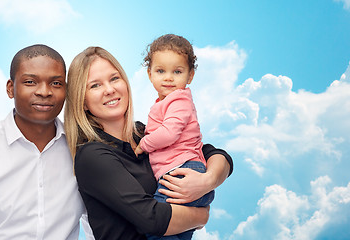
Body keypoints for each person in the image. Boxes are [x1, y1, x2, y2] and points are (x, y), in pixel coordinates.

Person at [64, 46, 233, 240]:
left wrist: (208, 179)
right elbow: (151, 219)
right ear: (82, 101)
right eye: (95, 85)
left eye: (114, 79)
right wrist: (201, 216)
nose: (109, 90)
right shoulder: (93, 155)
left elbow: (213, 153)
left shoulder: (144, 134)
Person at [0, 44, 93, 239]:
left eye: (56, 83)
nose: (44, 92)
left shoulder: (81, 150)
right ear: (11, 88)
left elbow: (98, 224)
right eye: (30, 82)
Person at [133, 34, 212, 240]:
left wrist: (144, 144)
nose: (168, 77)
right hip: (182, 170)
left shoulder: (178, 100)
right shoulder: (165, 102)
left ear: (190, 76)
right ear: (150, 74)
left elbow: (170, 133)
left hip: (181, 171)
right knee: (178, 233)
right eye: (161, 71)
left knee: (155, 225)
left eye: (177, 71)